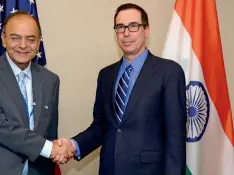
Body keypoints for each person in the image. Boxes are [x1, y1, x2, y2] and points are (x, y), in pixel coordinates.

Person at [56, 3, 187, 175]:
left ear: (146, 30)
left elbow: (175, 138)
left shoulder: (169, 72)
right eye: (120, 27)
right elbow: (101, 127)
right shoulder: (106, 75)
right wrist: (73, 145)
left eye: (133, 26)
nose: (126, 33)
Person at [0, 12, 73, 175]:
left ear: (38, 43)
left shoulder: (50, 80)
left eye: (31, 39)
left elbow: (49, 133)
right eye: (15, 37)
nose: (23, 45)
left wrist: (57, 150)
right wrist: (49, 149)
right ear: (3, 38)